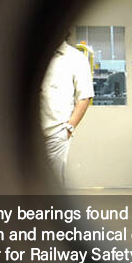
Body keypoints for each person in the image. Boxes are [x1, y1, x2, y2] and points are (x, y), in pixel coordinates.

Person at [40, 38, 94, 183]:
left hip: (56, 132)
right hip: (26, 134)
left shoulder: (75, 58)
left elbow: (85, 96)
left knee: (53, 183)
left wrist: (69, 128)